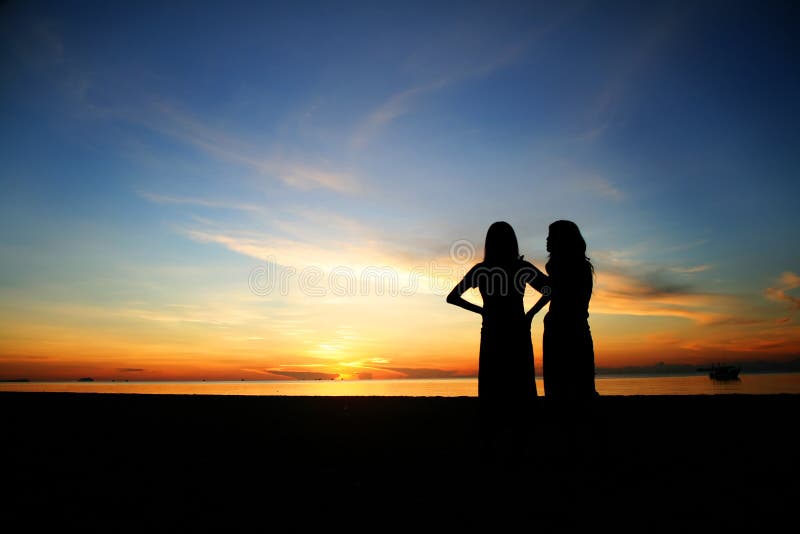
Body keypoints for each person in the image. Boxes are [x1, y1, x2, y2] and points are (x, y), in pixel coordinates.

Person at [447, 221, 550, 456]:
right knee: (520, 386)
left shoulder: (481, 270)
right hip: (517, 332)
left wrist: (483, 311)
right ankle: (521, 443)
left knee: (493, 387)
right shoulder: (520, 267)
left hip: (493, 333)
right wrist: (530, 314)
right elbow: (550, 289)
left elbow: (453, 297)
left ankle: (493, 443)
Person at [535, 220, 597, 401]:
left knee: (562, 384)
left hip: (565, 330)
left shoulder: (571, 268)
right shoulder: (580, 267)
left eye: (551, 236)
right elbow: (551, 291)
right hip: (571, 327)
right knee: (573, 384)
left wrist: (528, 271)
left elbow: (552, 290)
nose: (546, 240)